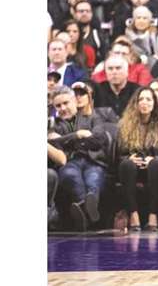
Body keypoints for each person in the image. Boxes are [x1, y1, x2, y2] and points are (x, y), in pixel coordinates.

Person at [49, 86, 108, 231]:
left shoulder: (93, 118)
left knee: (93, 180)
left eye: (66, 103)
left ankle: (84, 213)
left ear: (75, 101)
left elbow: (99, 140)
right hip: (69, 162)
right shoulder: (54, 126)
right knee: (70, 176)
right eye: (58, 105)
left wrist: (66, 141)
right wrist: (77, 135)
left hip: (93, 161)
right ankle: (88, 211)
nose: (62, 108)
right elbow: (53, 144)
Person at [117, 87, 158, 232]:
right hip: (132, 169)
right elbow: (118, 155)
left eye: (148, 99)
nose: (144, 102)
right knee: (127, 165)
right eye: (140, 99)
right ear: (135, 103)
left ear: (154, 103)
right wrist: (130, 158)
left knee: (155, 164)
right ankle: (134, 215)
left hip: (155, 169)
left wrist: (152, 159)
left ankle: (152, 216)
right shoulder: (124, 125)